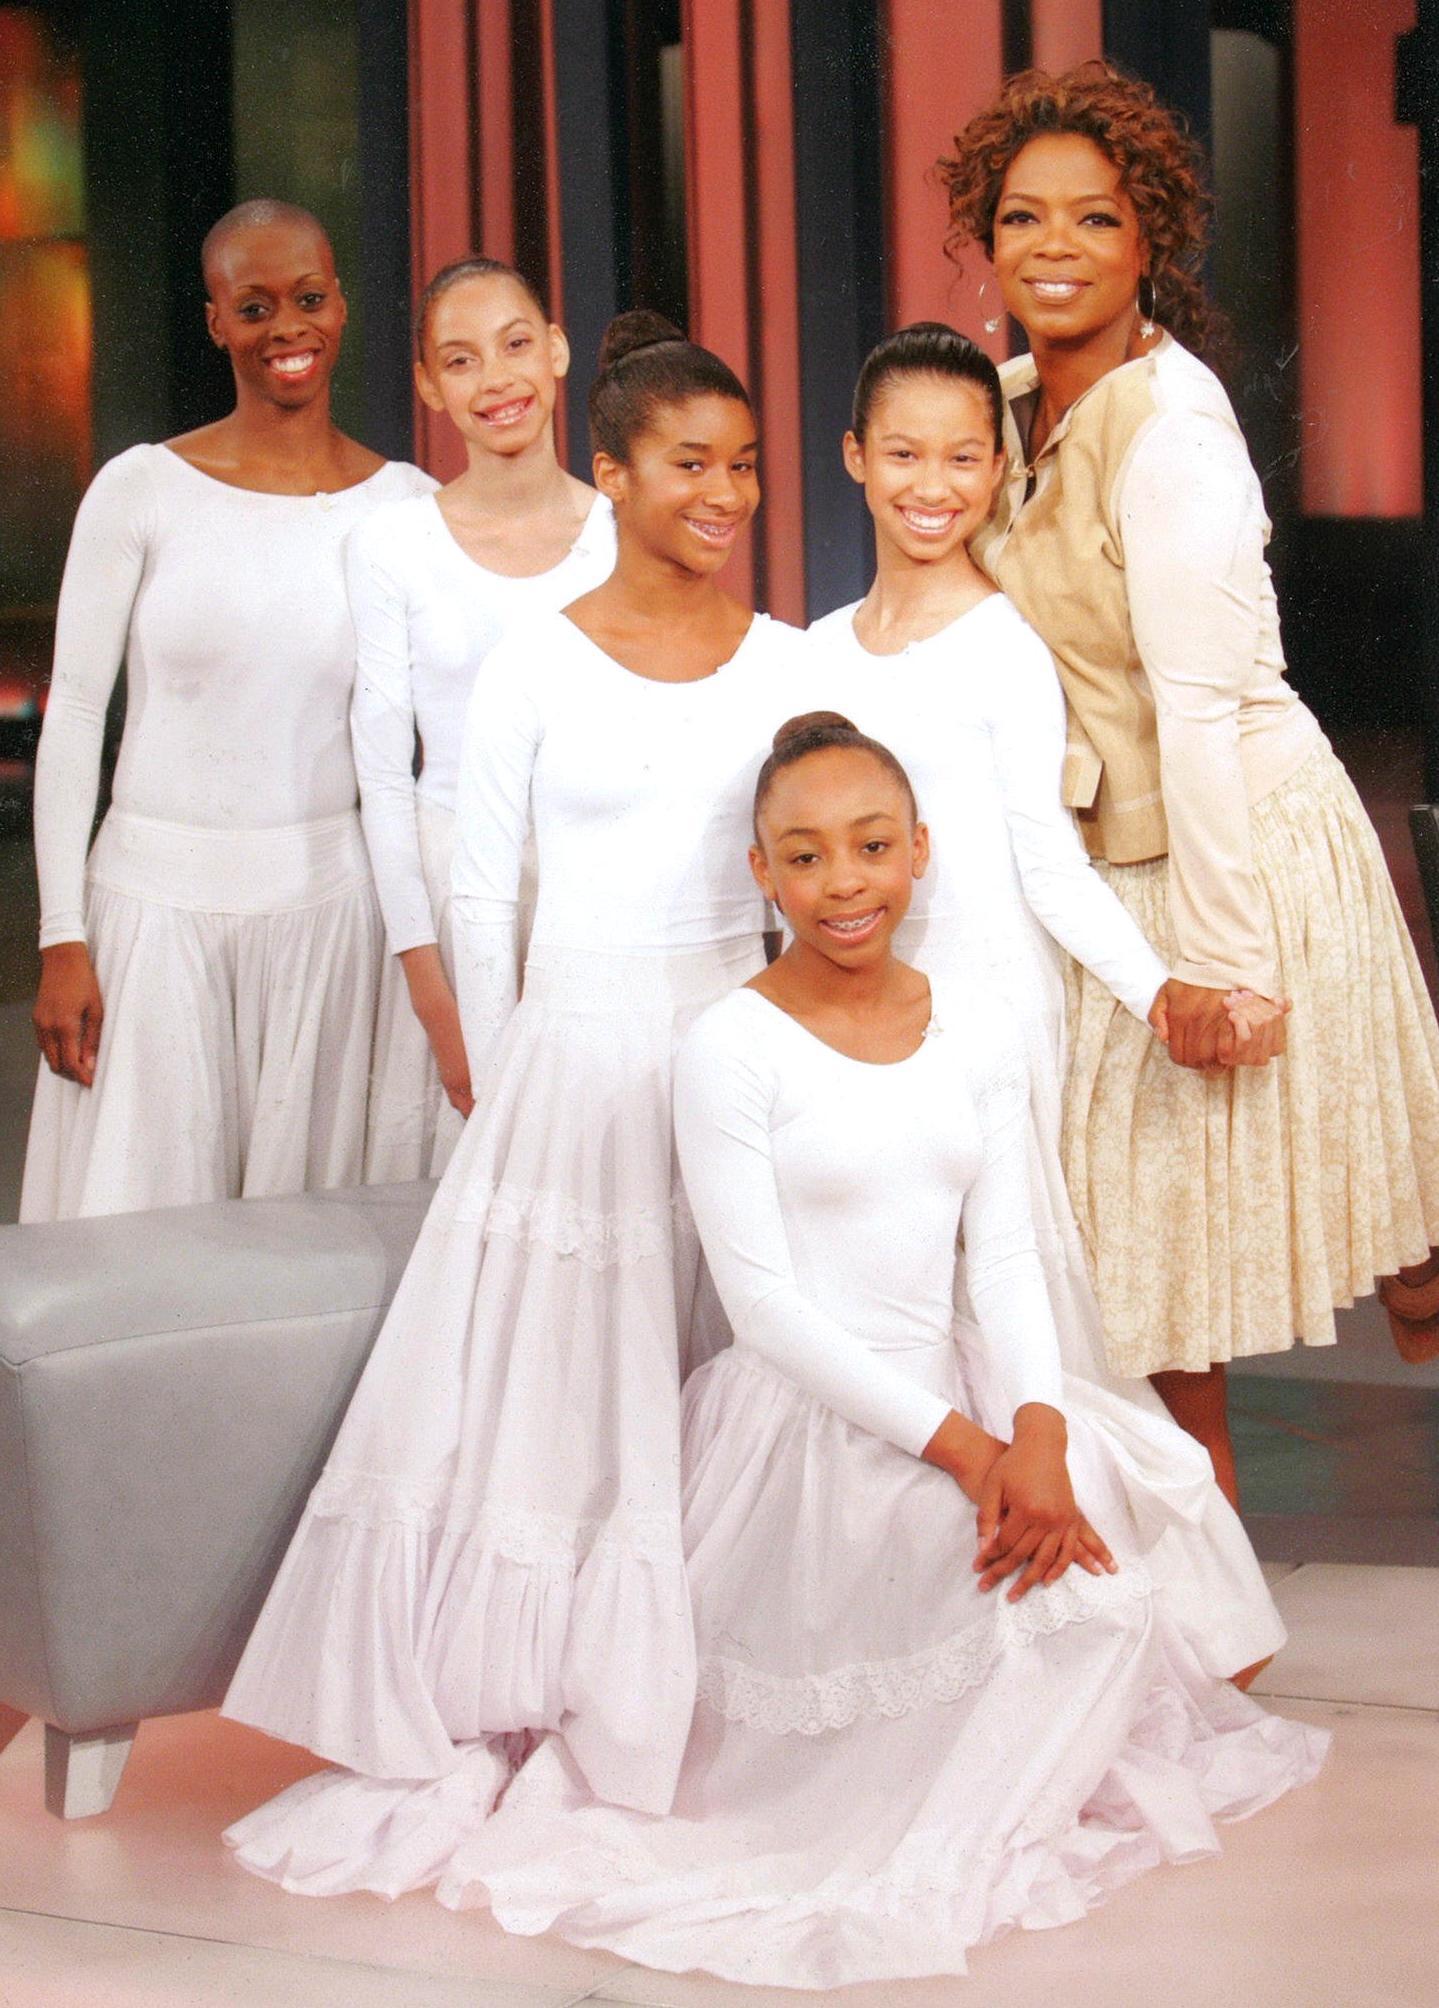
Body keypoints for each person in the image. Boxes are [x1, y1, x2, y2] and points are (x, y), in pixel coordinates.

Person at [397, 716, 1326, 1991]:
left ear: (919, 853)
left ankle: (1000, 1748)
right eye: (806, 855)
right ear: (762, 875)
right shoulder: (729, 1044)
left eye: (871, 847)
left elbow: (998, 1254)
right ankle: (889, 1801)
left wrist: (1039, 1431)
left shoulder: (978, 1023)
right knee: (994, 1573)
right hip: (808, 1418)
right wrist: (969, 1451)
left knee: (1104, 1529)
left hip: (963, 1381)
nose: (844, 882)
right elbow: (766, 1306)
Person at [221, 312, 804, 1888]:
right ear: (610, 472)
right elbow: (483, 896)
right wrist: (498, 1077)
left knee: (733, 1367)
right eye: (692, 463)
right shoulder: (540, 659)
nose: (727, 491)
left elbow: (805, 895)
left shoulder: (788, 663)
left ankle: (739, 1664)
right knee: (566, 1406)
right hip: (572, 1057)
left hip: (731, 1052)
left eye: (745, 465)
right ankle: (558, 1677)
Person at [937, 64, 1439, 1487]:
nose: (1050, 246)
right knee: (1141, 1271)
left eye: (1090, 220)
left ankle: (1199, 1627)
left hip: (1224, 843)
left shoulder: (1173, 433)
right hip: (1102, 858)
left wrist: (1230, 965)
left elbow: (1198, 711)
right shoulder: (1004, 401)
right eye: (1021, 216)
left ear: (1145, 241)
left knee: (1165, 1279)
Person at [804, 323, 1280, 1658]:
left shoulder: (1005, 646)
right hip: (858, 1021)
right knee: (897, 1310)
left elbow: (1046, 866)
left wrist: (1158, 992)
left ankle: (1158, 1618)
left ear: (997, 466)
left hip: (988, 1011)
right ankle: (942, 1628)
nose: (930, 484)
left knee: (1019, 1316)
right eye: (901, 453)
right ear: (853, 459)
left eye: (962, 457)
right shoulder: (813, 653)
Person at [22, 199, 434, 1220]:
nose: (285, 327)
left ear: (340, 306)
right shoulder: (141, 490)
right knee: (134, 1237)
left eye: (307, 299)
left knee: (305, 1243)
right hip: (149, 916)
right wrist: (61, 933)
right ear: (215, 320)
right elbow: (74, 711)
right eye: (254, 307)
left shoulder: (408, 508)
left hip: (336, 921)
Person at [355, 258, 615, 1179]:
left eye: (514, 346)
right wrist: (432, 991)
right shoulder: (394, 544)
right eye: (460, 361)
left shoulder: (619, 531)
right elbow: (384, 779)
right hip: (449, 887)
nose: (496, 380)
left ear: (555, 350)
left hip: (591, 890)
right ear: (429, 386)